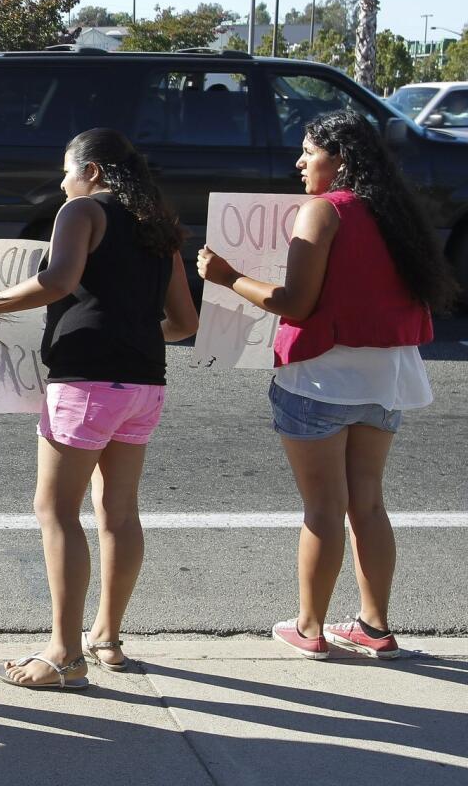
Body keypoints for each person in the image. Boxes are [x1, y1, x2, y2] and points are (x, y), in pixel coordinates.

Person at [198, 109, 454, 660]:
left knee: (322, 508)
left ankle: (310, 629)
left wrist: (226, 276)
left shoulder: (323, 212)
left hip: (318, 378)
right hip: (386, 379)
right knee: (368, 505)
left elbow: (294, 304)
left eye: (309, 150)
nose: (300, 161)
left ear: (338, 159)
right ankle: (375, 626)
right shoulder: (393, 211)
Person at [0, 129, 198, 690]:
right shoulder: (159, 228)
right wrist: (132, 331)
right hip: (145, 383)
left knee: (55, 510)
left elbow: (57, 281)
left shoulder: (82, 212)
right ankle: (108, 637)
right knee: (119, 513)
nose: (62, 182)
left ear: (93, 172)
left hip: (86, 382)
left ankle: (63, 652)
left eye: (67, 170)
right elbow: (185, 322)